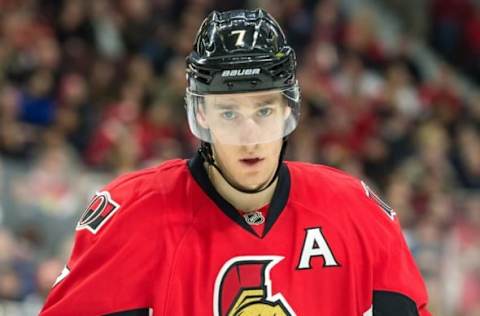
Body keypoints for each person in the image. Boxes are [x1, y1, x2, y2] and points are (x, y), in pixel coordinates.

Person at [40, 9, 430, 315]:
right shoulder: (134, 216)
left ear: (287, 111)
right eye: (229, 113)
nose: (250, 136)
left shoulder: (356, 213)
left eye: (264, 110)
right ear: (203, 116)